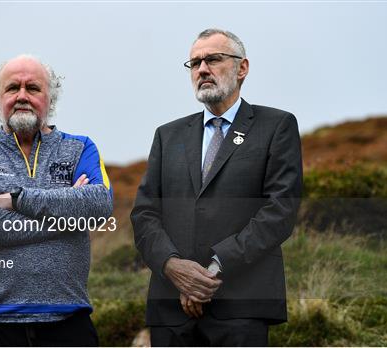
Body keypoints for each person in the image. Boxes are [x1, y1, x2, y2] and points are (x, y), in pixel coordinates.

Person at [131, 28, 302, 346]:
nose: (202, 69)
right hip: (171, 309)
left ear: (242, 68)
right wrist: (173, 267)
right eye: (194, 63)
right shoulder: (168, 136)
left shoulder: (276, 126)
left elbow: (280, 210)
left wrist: (213, 269)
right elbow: (144, 214)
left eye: (213, 59)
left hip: (241, 306)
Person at [0, 54, 112, 346]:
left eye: (33, 88)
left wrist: (16, 198)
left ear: (51, 99)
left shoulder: (80, 148)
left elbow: (99, 205)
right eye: (13, 88)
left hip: (68, 320)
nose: (22, 96)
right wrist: (67, 218)